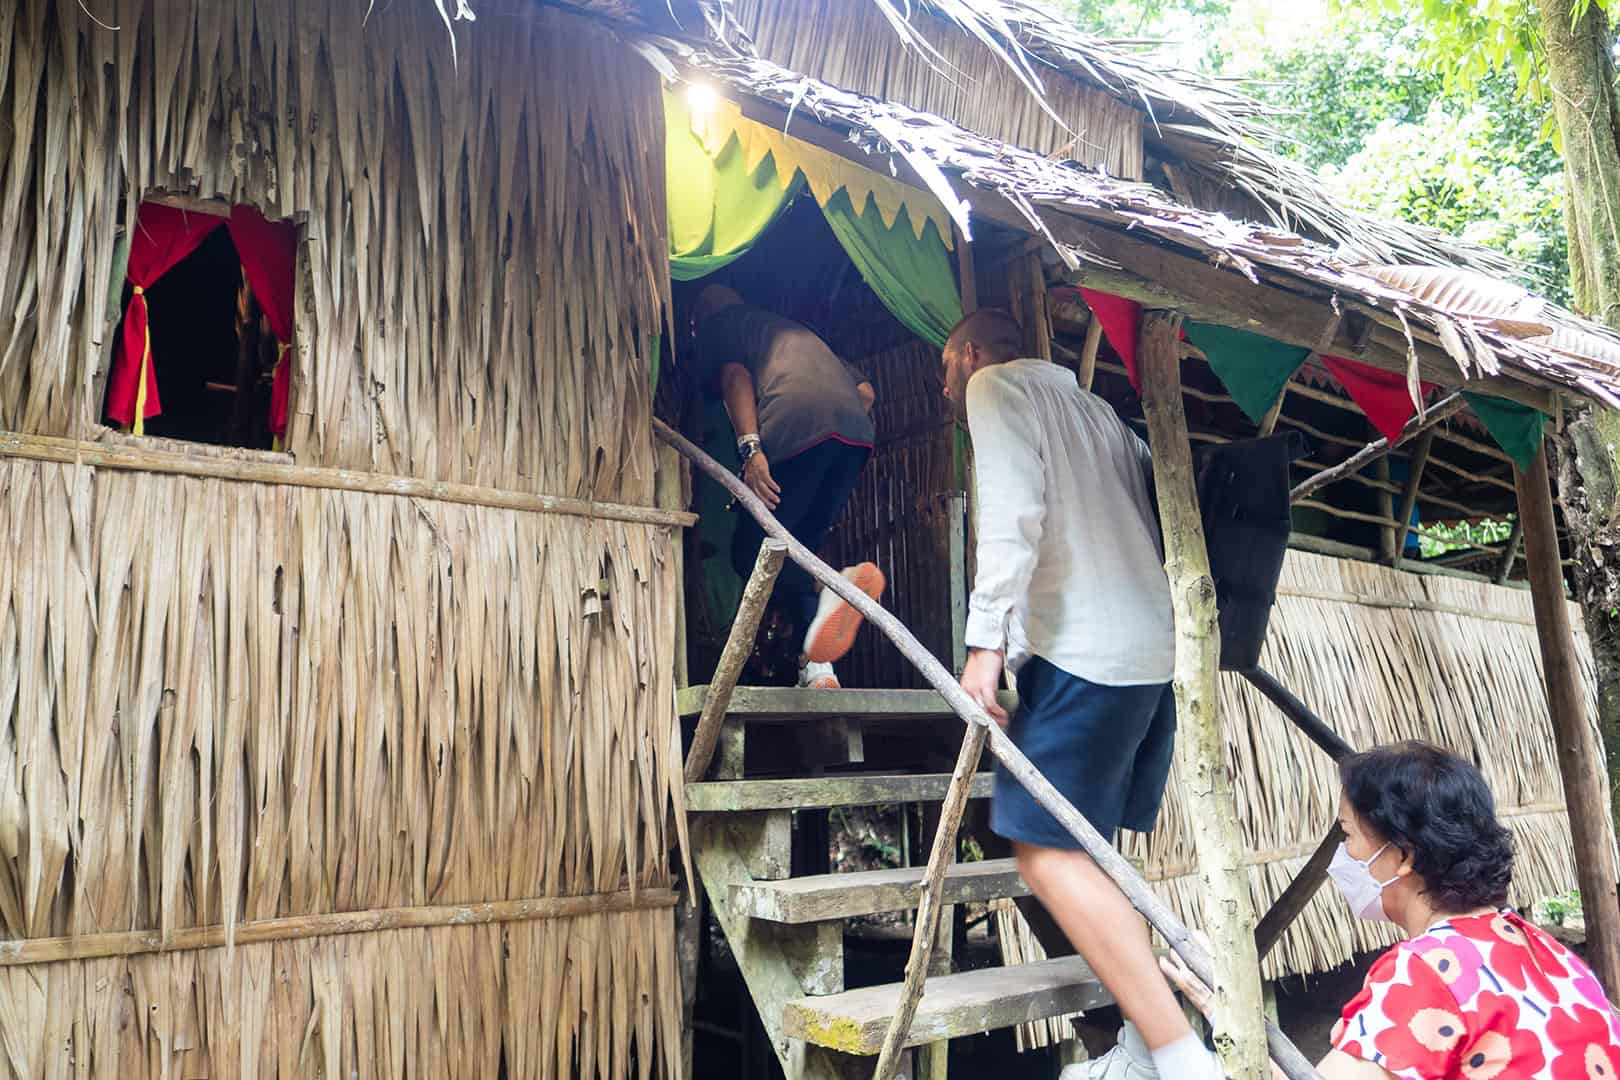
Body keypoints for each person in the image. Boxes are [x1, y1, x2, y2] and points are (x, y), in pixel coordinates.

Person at [942, 308, 1210, 1079]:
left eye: (944, 373)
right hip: (1150, 655)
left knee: (1042, 851)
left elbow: (1012, 518)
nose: (948, 394)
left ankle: (1182, 1058)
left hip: (1084, 655)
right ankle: (1139, 1044)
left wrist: (984, 647)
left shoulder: (995, 387)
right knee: (1093, 855)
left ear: (969, 352)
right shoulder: (1102, 414)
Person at [1162, 741, 1620, 1079]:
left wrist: (1228, 1009)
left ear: (1404, 856)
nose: (1343, 855)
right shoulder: (1545, 951)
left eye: (1348, 835)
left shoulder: (1424, 972)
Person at [692, 284, 884, 689]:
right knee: (798, 550)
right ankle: (816, 670)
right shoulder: (794, 334)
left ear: (705, 312)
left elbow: (734, 377)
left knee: (752, 552)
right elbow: (866, 393)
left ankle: (833, 582)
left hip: (797, 424)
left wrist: (751, 450)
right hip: (853, 437)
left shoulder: (722, 326)